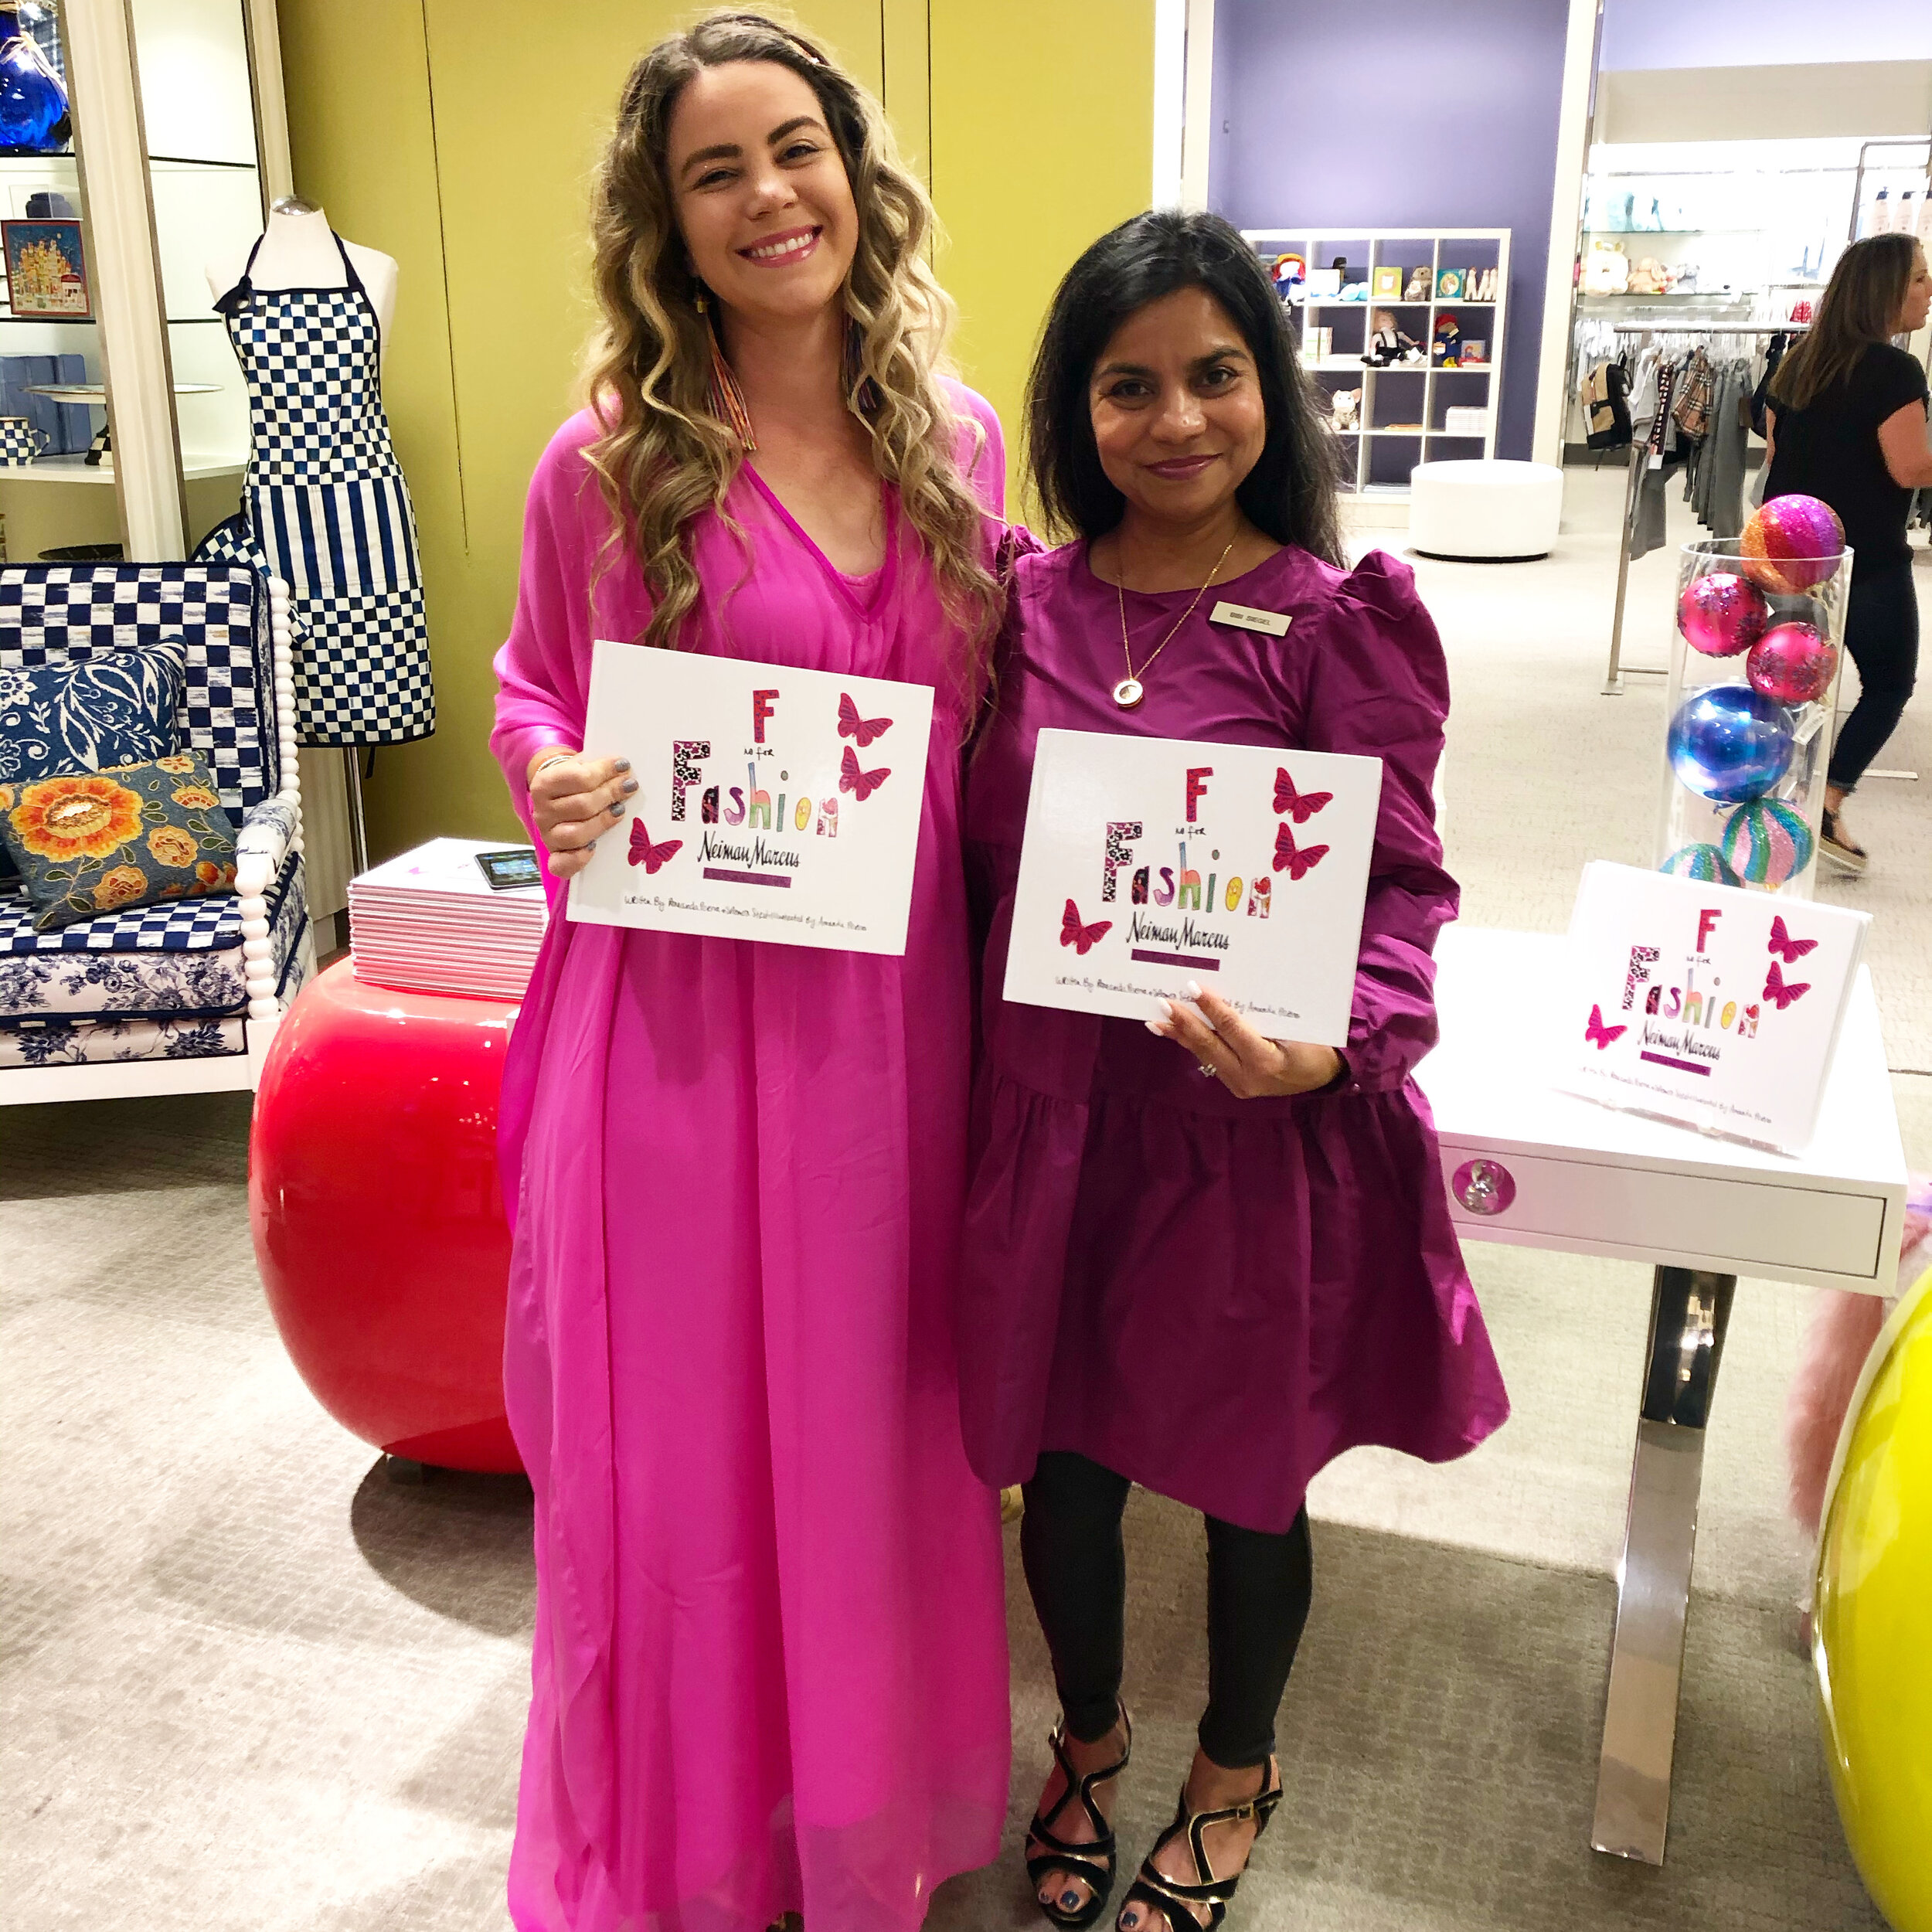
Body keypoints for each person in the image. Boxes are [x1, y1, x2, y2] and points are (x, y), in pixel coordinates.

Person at [488, 15, 1012, 1928]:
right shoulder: (609, 462)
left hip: (898, 1029)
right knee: (691, 1462)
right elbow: (532, 681)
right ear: (668, 223)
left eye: (795, 150)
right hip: (685, 1041)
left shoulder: (955, 439)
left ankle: (853, 1818)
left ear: (854, 175)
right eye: (715, 171)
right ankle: (697, 1850)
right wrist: (549, 769)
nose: (768, 196)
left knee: (873, 1432)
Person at [957, 211, 1509, 1932]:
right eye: (1128, 385)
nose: (1177, 419)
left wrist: (1338, 1042)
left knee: (1247, 1481)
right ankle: (1088, 1737)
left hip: (1239, 1134)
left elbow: (1402, 887)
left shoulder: (1333, 621)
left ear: (1269, 387)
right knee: (1064, 1470)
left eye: (1214, 375)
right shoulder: (1013, 606)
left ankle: (1233, 1768)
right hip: (1057, 1120)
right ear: (1077, 407)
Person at [1764, 233, 1932, 873]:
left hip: (1790, 555)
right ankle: (1827, 805)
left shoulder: (1797, 363)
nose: (1929, 291)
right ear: (1883, 290)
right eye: (1919, 278)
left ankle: (1776, 802)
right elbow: (1909, 468)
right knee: (1888, 684)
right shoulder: (1895, 370)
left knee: (1793, 684)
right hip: (1865, 558)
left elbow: (1776, 456)